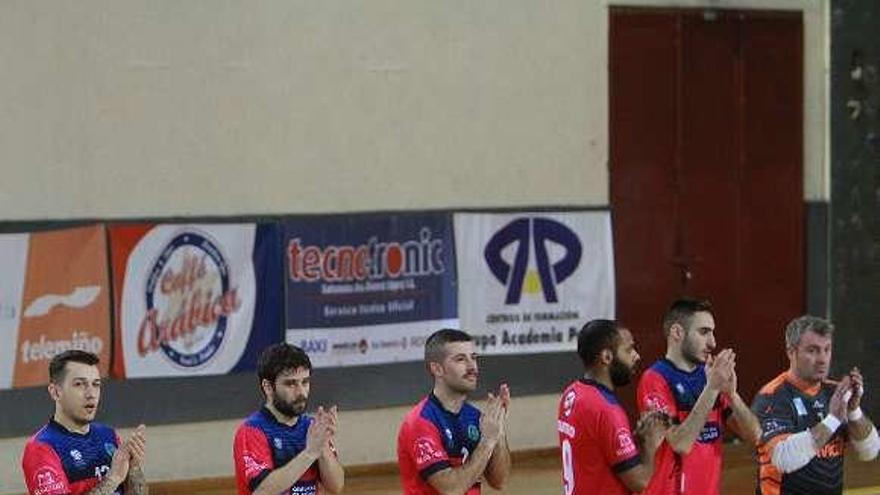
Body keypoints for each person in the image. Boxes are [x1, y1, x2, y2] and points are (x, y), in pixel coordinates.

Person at [636, 298, 761, 495]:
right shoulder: (655, 379)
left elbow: (754, 436)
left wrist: (732, 394)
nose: (713, 342)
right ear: (677, 332)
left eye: (712, 332)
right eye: (703, 332)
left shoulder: (710, 375)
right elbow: (681, 443)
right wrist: (711, 389)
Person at [752, 315, 878, 495]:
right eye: (813, 351)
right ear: (791, 352)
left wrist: (853, 411)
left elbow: (870, 451)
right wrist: (833, 419)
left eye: (827, 350)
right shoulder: (772, 396)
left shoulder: (835, 392)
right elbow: (784, 458)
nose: (822, 359)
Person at [558, 319, 668, 495]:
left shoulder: (571, 394)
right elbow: (640, 482)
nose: (636, 356)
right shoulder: (607, 410)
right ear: (607, 357)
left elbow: (595, 449)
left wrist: (635, 442)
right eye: (629, 350)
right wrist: (650, 445)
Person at [397, 328, 511, 495]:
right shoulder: (421, 422)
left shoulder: (475, 417)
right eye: (460, 359)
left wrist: (498, 431)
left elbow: (499, 481)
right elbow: (451, 489)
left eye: (473, 357)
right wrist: (486, 442)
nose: (472, 366)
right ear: (437, 369)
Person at [21, 350, 148, 495]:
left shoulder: (108, 435)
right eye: (79, 384)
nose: (91, 394)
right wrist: (112, 479)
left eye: (96, 384)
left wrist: (134, 468)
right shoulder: (41, 448)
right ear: (55, 392)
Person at [233, 343, 344, 495]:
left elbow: (336, 487)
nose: (301, 392)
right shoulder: (252, 431)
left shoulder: (312, 428)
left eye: (305, 382)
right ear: (268, 387)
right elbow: (262, 490)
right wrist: (310, 452)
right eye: (291, 383)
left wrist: (322, 448)